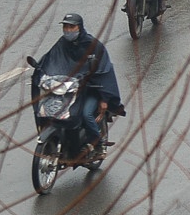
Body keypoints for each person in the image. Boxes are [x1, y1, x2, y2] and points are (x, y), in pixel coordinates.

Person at [31, 13, 123, 156]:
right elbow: (50, 60)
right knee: (48, 111)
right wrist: (40, 71)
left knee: (86, 115)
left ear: (79, 27)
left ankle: (98, 144)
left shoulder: (93, 45)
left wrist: (104, 99)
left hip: (91, 90)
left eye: (71, 26)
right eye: (65, 26)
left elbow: (104, 71)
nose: (68, 30)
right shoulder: (62, 44)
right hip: (69, 89)